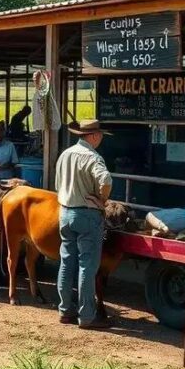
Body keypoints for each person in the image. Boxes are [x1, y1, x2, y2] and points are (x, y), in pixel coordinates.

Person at [54, 119, 114, 329]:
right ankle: (87, 316)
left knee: (66, 261)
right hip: (87, 214)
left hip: (65, 211)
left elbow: (58, 183)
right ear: (94, 136)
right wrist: (102, 200)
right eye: (100, 136)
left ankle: (65, 310)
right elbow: (106, 181)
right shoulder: (93, 157)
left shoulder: (65, 154)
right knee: (87, 266)